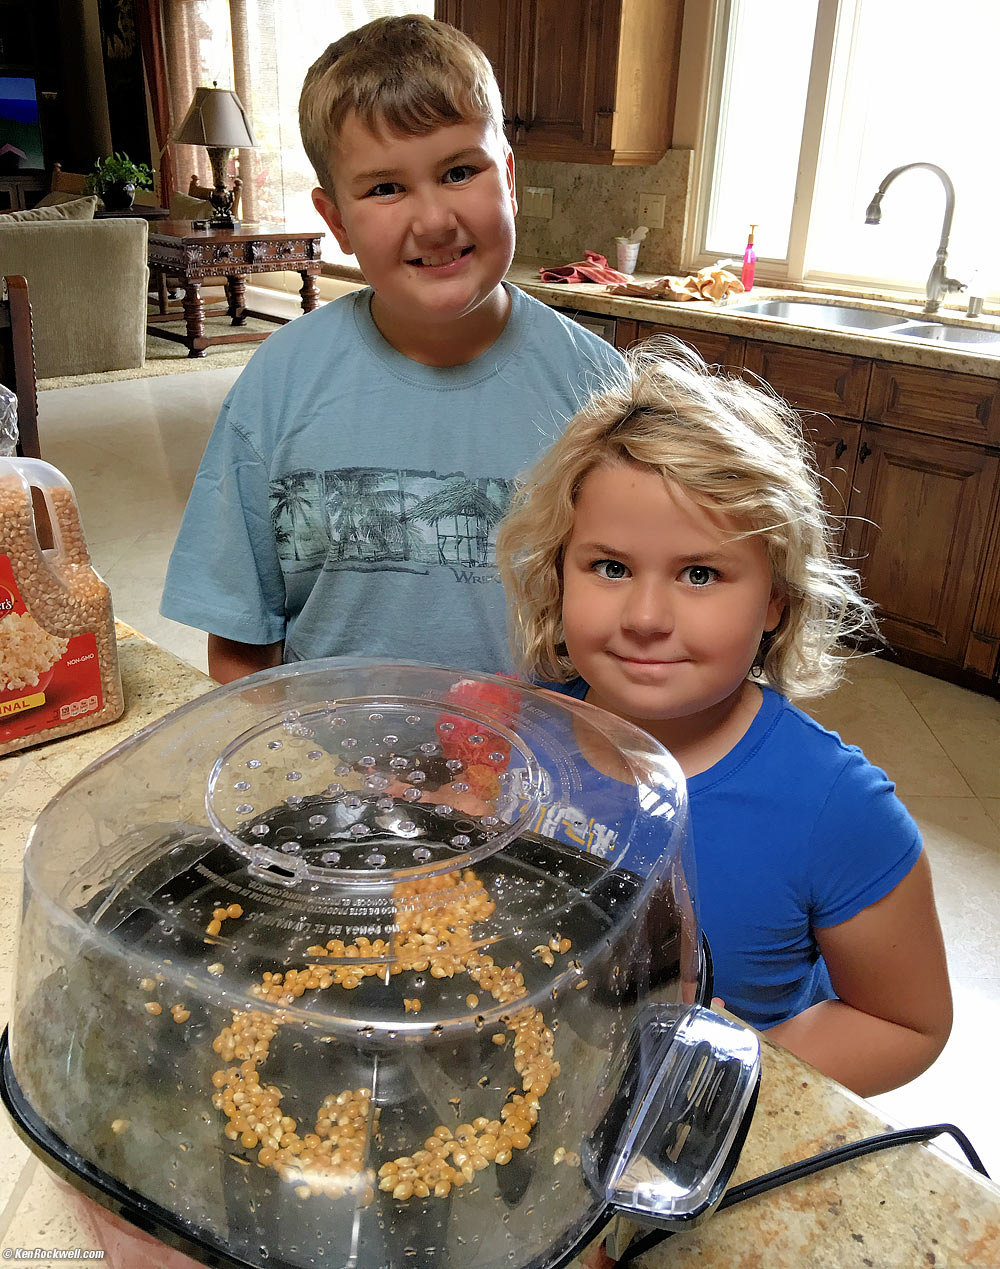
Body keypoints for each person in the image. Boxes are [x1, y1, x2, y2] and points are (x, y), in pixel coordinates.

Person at [496, 340, 952, 1098]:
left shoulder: (835, 807)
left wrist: (731, 1076)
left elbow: (908, 1023)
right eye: (610, 567)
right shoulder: (528, 727)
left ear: (777, 597)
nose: (645, 617)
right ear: (557, 570)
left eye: (700, 573)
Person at [160, 15, 623, 683]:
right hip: (332, 770)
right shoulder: (279, 385)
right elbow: (239, 643)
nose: (434, 220)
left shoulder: (599, 392)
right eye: (385, 187)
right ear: (336, 220)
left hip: (541, 773)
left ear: (511, 180)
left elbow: (639, 626)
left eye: (461, 170)